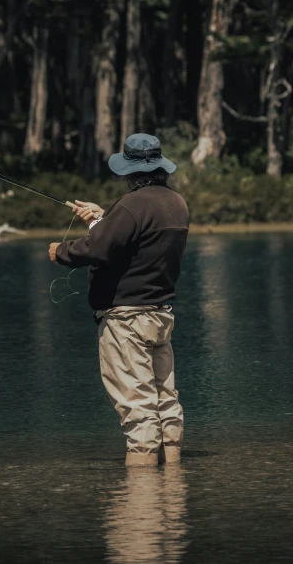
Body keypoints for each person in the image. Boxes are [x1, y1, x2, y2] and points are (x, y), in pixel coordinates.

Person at [48, 133, 189, 466]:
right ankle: (172, 485)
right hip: (160, 316)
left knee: (137, 408)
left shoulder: (132, 205)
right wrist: (102, 218)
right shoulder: (176, 203)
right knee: (165, 402)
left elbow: (100, 249)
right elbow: (135, 242)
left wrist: (61, 252)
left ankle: (142, 503)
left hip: (126, 321)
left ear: (129, 172)